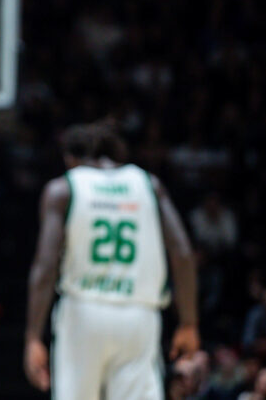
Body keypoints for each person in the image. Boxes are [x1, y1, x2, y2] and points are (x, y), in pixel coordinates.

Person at [24, 121, 200, 399]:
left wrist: (33, 337)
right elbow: (183, 254)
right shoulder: (148, 184)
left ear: (70, 158)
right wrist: (189, 322)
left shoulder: (63, 189)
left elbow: (45, 268)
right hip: (138, 314)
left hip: (82, 311)